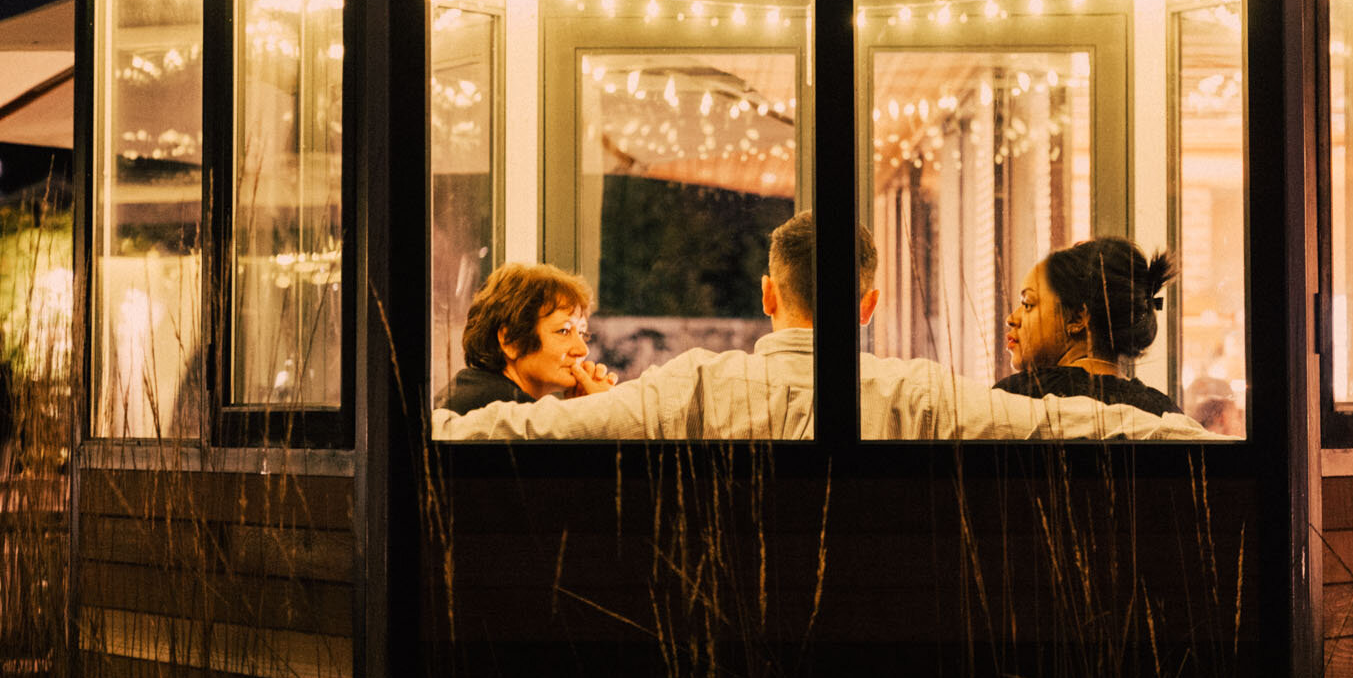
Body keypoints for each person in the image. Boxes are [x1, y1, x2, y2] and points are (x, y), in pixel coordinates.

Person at [434, 215, 1210, 442]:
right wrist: (1205, 439)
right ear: (868, 308)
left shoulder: (695, 385)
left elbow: (516, 434)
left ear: (769, 294)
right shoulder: (919, 394)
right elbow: (1061, 426)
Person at [995, 237, 1196, 426]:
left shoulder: (1016, 399)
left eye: (1028, 304)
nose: (1011, 319)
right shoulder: (1165, 413)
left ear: (1077, 318)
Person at [437, 263, 617, 414]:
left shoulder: (475, 390)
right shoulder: (506, 410)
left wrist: (579, 408)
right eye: (564, 331)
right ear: (511, 340)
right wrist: (603, 409)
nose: (583, 350)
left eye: (582, 333)